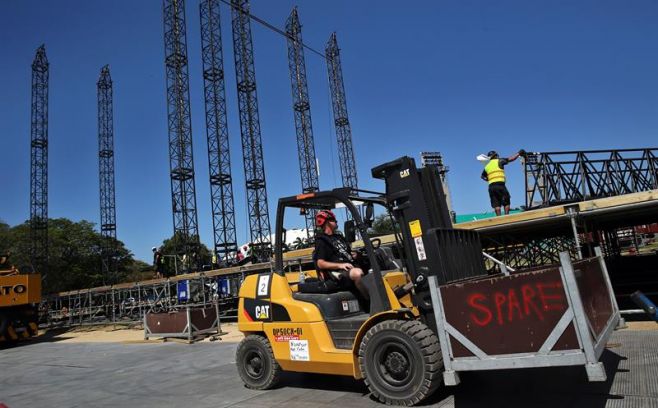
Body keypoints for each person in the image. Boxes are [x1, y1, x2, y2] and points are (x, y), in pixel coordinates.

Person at [313, 209, 368, 298]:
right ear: (328, 222)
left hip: (349, 266)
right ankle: (368, 300)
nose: (337, 222)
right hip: (337, 272)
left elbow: (346, 252)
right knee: (357, 273)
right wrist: (340, 265)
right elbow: (320, 263)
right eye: (335, 220)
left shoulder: (339, 237)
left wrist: (355, 255)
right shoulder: (321, 241)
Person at [481, 149, 526, 216]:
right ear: (495, 156)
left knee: (496, 204)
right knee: (506, 202)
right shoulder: (499, 161)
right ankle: (506, 217)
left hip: (491, 187)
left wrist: (489, 179)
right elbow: (511, 159)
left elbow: (482, 176)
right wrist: (519, 153)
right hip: (500, 185)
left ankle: (499, 219)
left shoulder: (487, 166)